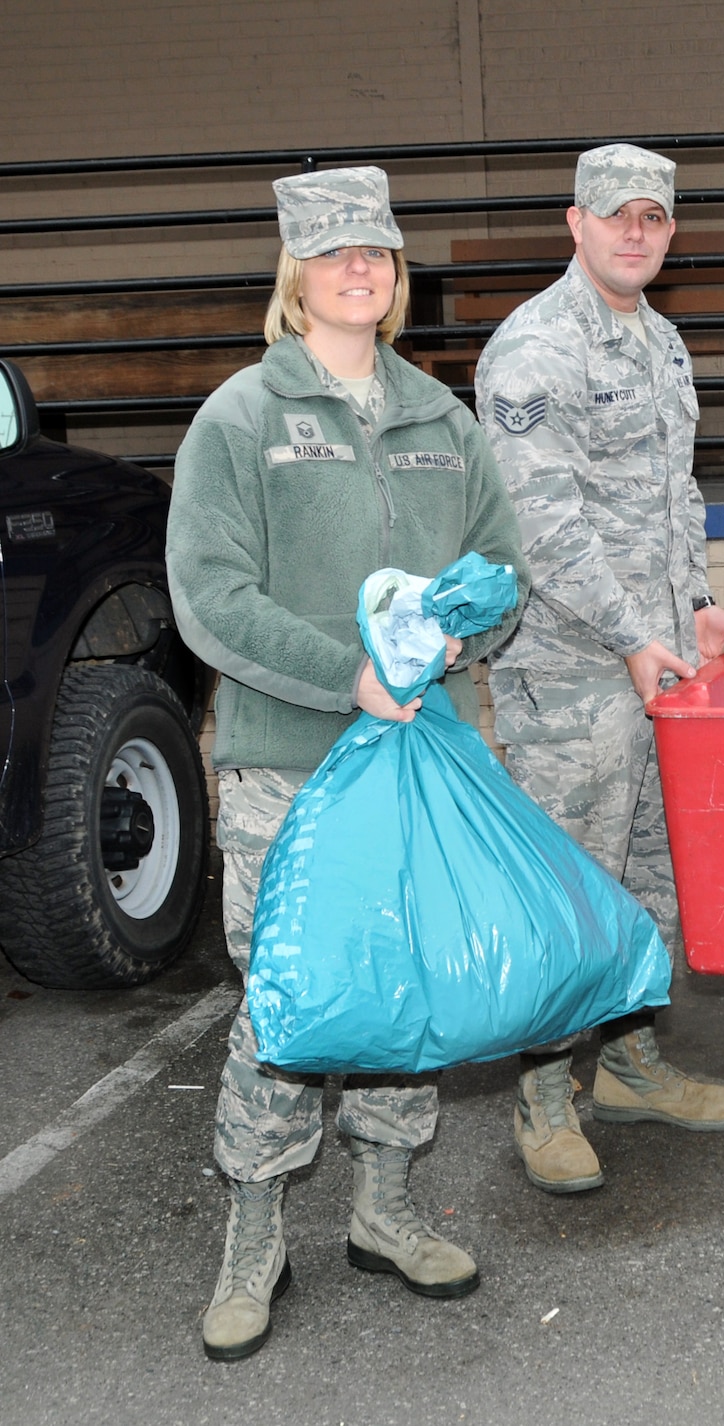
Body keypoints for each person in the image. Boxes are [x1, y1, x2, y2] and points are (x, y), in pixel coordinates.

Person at [167, 166, 526, 1359]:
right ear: (296, 275)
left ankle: (383, 1208)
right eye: (333, 255)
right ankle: (254, 1231)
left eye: (374, 252)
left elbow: (501, 573)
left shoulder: (441, 417)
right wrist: (347, 677)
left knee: (402, 984)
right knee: (288, 996)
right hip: (289, 761)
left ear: (395, 271)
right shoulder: (242, 419)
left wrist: (462, 627)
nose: (358, 271)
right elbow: (210, 601)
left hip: (421, 757)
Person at [475, 144, 724, 1195]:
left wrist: (690, 604)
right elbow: (540, 528)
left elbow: (672, 496)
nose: (635, 232)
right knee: (568, 884)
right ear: (575, 223)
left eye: (653, 216)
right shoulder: (534, 349)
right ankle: (544, 1095)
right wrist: (633, 631)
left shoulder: (663, 343)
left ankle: (631, 1064)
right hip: (570, 675)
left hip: (655, 664)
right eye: (615, 215)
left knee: (650, 874)